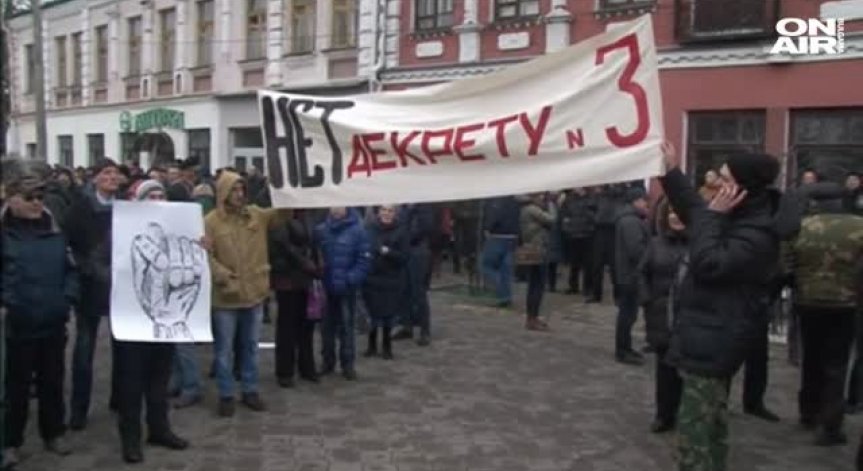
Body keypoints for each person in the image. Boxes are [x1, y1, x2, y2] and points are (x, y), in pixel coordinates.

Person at [660, 143, 781, 471]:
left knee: (696, 428)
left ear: (742, 187)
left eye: (722, 179)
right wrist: (670, 171)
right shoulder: (737, 214)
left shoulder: (758, 233)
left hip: (717, 338)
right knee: (708, 419)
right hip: (705, 333)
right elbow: (695, 211)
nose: (713, 186)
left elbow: (709, 263)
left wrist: (713, 216)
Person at [1, 163, 77, 466]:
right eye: (30, 197)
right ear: (12, 199)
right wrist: (8, 303)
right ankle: (10, 442)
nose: (36, 203)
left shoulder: (55, 231)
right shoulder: (5, 235)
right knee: (15, 389)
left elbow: (71, 271)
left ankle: (53, 433)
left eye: (40, 197)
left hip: (53, 321)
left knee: (52, 383)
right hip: (19, 324)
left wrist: (66, 299)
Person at [115, 180, 189, 463]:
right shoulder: (123, 228)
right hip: (132, 319)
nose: (157, 199)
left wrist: (199, 244)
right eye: (151, 195)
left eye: (161, 195)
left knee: (159, 380)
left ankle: (159, 429)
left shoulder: (174, 228)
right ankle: (130, 439)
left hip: (163, 317)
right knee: (131, 384)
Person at [792, 182, 863, 446]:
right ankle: (830, 424)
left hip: (807, 301)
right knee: (837, 363)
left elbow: (787, 261)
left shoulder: (803, 226)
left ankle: (808, 412)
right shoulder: (858, 226)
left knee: (811, 356)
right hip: (845, 304)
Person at [205, 171, 277, 417]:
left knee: (251, 347)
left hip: (254, 294)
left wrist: (289, 189)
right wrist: (222, 275)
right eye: (234, 190)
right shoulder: (211, 221)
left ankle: (250, 389)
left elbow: (283, 214)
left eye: (241, 190)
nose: (239, 195)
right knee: (224, 350)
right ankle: (226, 394)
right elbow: (205, 255)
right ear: (223, 193)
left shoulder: (256, 215)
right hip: (226, 298)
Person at [65, 158, 121, 430]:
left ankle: (120, 399)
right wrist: (86, 267)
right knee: (84, 353)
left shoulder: (126, 209)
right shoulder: (81, 208)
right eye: (106, 173)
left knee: (123, 349)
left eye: (115, 173)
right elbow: (70, 244)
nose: (112, 177)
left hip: (119, 289)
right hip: (89, 289)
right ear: (95, 179)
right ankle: (79, 409)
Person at [638, 199, 687, 433]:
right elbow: (642, 274)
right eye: (672, 213)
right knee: (665, 369)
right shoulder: (656, 244)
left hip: (688, 315)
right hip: (661, 315)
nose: (676, 217)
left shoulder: (697, 245)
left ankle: (688, 414)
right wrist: (648, 299)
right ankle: (664, 414)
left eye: (680, 213)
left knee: (687, 370)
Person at [316, 207, 371, 380]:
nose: (336, 209)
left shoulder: (358, 231)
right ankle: (327, 361)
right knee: (326, 327)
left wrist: (351, 279)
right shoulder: (321, 230)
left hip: (347, 288)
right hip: (327, 286)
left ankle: (348, 364)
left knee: (347, 327)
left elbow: (364, 259)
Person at [269, 209, 320, 388]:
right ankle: (285, 371)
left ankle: (306, 366)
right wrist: (304, 262)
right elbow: (281, 244)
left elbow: (312, 244)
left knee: (306, 325)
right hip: (287, 279)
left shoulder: (308, 215)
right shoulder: (279, 218)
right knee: (287, 327)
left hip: (305, 278)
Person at [362, 205, 409, 360]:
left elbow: (404, 257)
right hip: (372, 277)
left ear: (395, 213)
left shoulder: (401, 231)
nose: (387, 214)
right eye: (384, 210)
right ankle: (371, 345)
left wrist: (388, 252)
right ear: (379, 212)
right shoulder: (369, 228)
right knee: (372, 313)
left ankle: (387, 347)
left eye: (390, 211)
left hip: (391, 277)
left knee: (388, 315)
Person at [613, 187, 650, 365]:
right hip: (630, 275)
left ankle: (625, 348)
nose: (646, 204)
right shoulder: (630, 222)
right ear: (635, 201)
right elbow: (636, 250)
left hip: (628, 274)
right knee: (627, 315)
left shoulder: (631, 219)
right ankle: (622, 350)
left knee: (628, 314)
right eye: (644, 201)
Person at [393, 203, 435, 345]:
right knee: (403, 290)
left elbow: (425, 228)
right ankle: (406, 325)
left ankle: (425, 330)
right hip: (405, 250)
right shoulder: (403, 206)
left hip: (418, 251)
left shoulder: (423, 206)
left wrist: (405, 238)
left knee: (418, 291)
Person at [519, 193, 555, 331]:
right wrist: (552, 204)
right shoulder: (532, 209)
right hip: (538, 249)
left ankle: (531, 316)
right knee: (538, 285)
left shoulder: (524, 208)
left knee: (533, 285)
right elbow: (551, 219)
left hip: (529, 249)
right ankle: (532, 318)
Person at [480, 196, 521, 308]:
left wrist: (487, 228)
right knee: (506, 269)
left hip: (497, 236)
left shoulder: (496, 200)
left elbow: (494, 216)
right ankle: (506, 297)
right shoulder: (514, 200)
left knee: (486, 265)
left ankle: (502, 291)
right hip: (512, 236)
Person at [559, 187, 596, 296]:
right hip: (573, 234)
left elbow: (595, 215)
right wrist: (567, 229)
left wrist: (591, 226)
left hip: (587, 234)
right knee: (574, 263)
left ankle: (588, 287)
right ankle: (573, 286)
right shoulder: (569, 200)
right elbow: (563, 215)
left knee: (588, 264)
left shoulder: (591, 199)